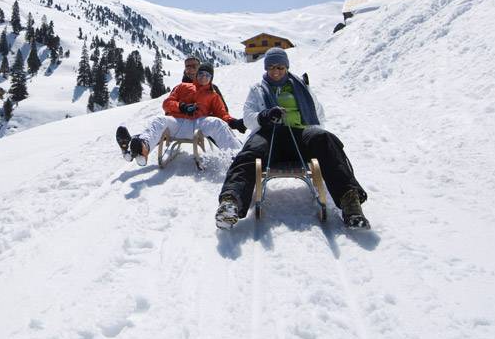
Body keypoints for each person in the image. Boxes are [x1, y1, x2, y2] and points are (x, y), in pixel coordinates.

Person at [215, 47, 370, 229]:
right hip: (269, 135)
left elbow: (318, 114)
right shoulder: (257, 89)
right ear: (266, 68)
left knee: (326, 140)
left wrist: (316, 135)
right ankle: (231, 202)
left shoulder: (301, 87)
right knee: (250, 152)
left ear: (286, 67)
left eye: (280, 67)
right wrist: (264, 116)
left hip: (300, 134)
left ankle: (350, 204)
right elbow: (248, 117)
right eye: (272, 67)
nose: (276, 71)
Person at [116, 63, 245, 163]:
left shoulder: (213, 95)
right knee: (158, 120)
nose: (203, 77)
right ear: (197, 75)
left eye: (207, 75)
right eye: (201, 74)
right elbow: (166, 103)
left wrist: (234, 122)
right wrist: (181, 107)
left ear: (211, 78)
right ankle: (143, 148)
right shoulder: (183, 87)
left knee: (217, 123)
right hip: (177, 122)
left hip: (198, 124)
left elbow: (222, 114)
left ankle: (240, 158)